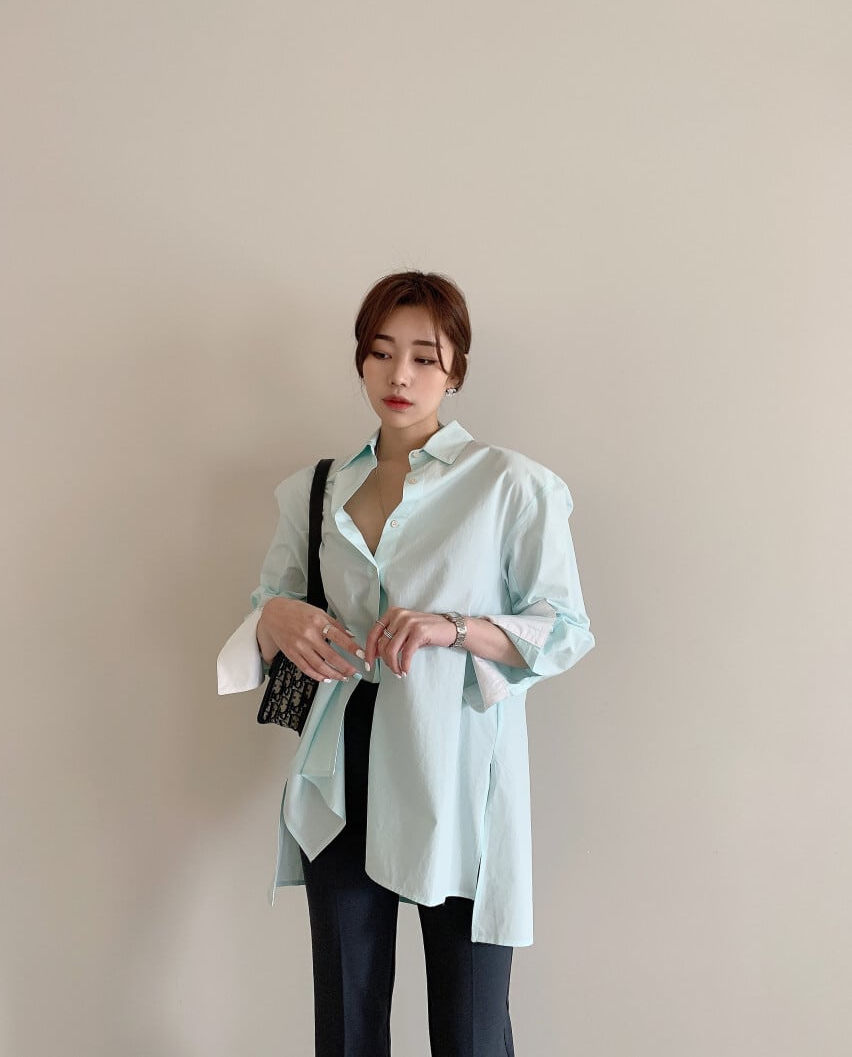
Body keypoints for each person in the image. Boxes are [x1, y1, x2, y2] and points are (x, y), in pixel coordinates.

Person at [217, 271, 595, 1057]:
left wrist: (454, 627)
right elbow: (272, 600)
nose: (400, 374)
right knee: (347, 1027)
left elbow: (562, 628)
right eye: (382, 352)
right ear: (360, 359)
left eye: (425, 356)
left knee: (470, 1030)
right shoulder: (315, 489)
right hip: (340, 769)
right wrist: (276, 615)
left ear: (455, 370)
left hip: (455, 765)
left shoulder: (509, 485)